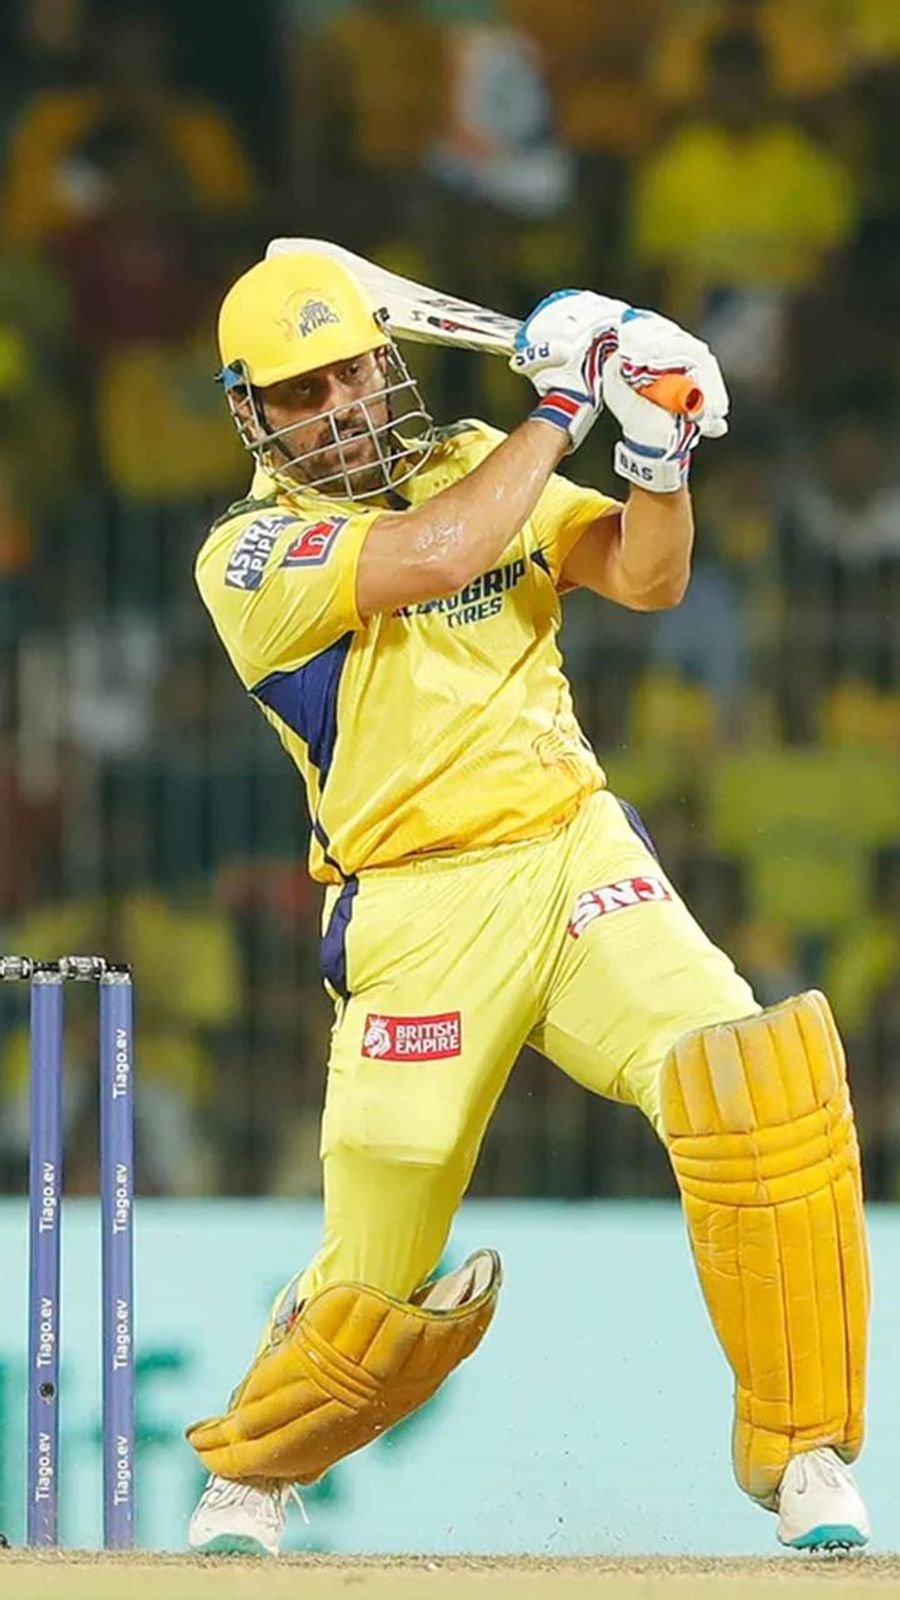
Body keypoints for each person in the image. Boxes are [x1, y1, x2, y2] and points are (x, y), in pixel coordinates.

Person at [186, 249, 870, 1557]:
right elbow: (442, 551)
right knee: (378, 1265)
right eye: (303, 391)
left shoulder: (469, 457)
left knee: (751, 1084)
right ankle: (257, 1472)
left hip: (573, 854)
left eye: (353, 373)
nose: (339, 405)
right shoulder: (249, 554)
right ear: (252, 413)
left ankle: (805, 1453)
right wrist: (569, 401)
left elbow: (645, 575)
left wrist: (658, 453)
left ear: (388, 364)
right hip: (414, 911)